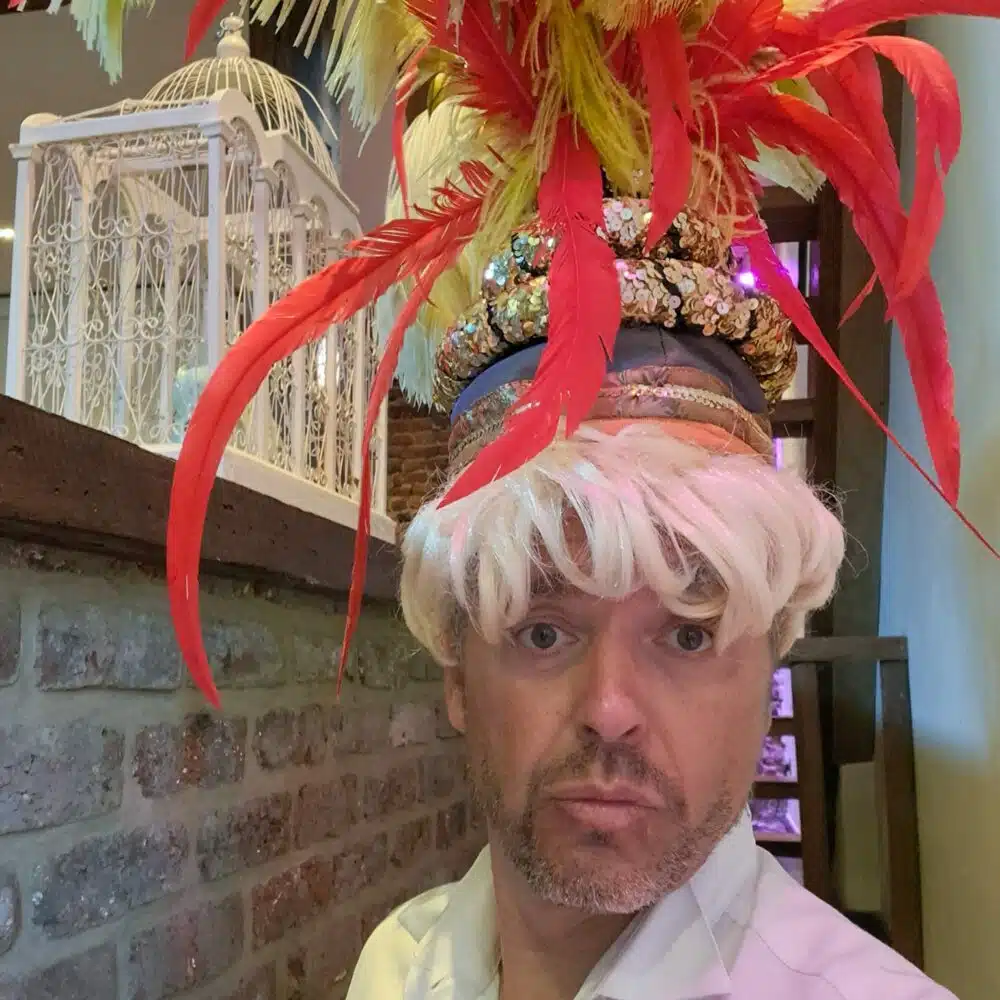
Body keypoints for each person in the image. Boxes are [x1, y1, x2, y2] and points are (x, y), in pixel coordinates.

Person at [108, 0, 1000, 997]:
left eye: (689, 632)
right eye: (542, 629)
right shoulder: (395, 965)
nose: (610, 712)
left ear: (768, 668)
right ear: (456, 670)